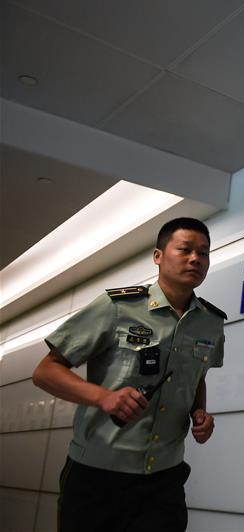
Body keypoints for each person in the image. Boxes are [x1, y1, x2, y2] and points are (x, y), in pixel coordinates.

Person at [32, 217, 226, 532]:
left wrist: (199, 413)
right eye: (185, 249)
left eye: (203, 253)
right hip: (97, 476)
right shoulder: (118, 307)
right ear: (158, 256)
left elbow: (197, 377)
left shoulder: (211, 323)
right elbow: (45, 371)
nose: (195, 259)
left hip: (164, 480)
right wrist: (104, 398)